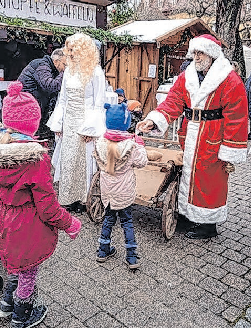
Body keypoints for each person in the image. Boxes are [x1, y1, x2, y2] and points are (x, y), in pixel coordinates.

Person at [137, 34, 248, 239]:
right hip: (191, 133)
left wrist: (231, 150)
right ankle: (188, 215)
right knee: (188, 174)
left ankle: (208, 224)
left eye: (200, 53)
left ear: (212, 54)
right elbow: (173, 102)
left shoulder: (229, 79)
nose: (196, 57)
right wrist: (154, 120)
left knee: (210, 179)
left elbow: (237, 115)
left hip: (214, 135)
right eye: (194, 53)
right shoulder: (187, 76)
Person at [0, 81, 82, 328]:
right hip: (26, 225)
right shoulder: (36, 160)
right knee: (27, 271)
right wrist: (70, 222)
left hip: (4, 220)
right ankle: (21, 315)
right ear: (33, 124)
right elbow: (47, 206)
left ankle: (5, 305)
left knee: (12, 262)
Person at [47, 33, 106, 214]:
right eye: (68, 49)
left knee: (84, 160)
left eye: (73, 49)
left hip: (86, 119)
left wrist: (92, 128)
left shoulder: (96, 72)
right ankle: (66, 197)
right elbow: (62, 99)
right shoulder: (69, 72)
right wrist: (58, 124)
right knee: (68, 158)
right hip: (69, 120)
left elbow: (99, 103)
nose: (70, 53)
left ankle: (82, 199)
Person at [95, 103, 148, 269]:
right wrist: (140, 145)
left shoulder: (100, 142)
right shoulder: (130, 146)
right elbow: (142, 162)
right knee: (127, 222)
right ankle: (131, 257)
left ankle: (103, 251)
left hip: (107, 191)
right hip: (124, 191)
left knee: (108, 219)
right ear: (126, 123)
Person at [18, 48, 66, 139]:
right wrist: (65, 72)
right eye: (64, 64)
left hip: (32, 104)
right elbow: (50, 86)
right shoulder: (42, 65)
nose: (64, 67)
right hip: (27, 106)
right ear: (56, 61)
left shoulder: (47, 66)